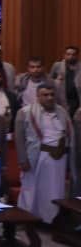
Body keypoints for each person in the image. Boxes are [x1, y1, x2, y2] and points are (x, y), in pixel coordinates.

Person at [15, 81, 77, 223]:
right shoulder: (25, 112)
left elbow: (69, 135)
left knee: (55, 190)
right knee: (31, 190)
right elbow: (19, 139)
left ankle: (50, 219)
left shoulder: (62, 111)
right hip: (37, 156)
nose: (49, 98)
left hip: (59, 159)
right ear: (38, 96)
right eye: (45, 95)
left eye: (52, 95)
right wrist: (23, 160)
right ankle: (28, 220)